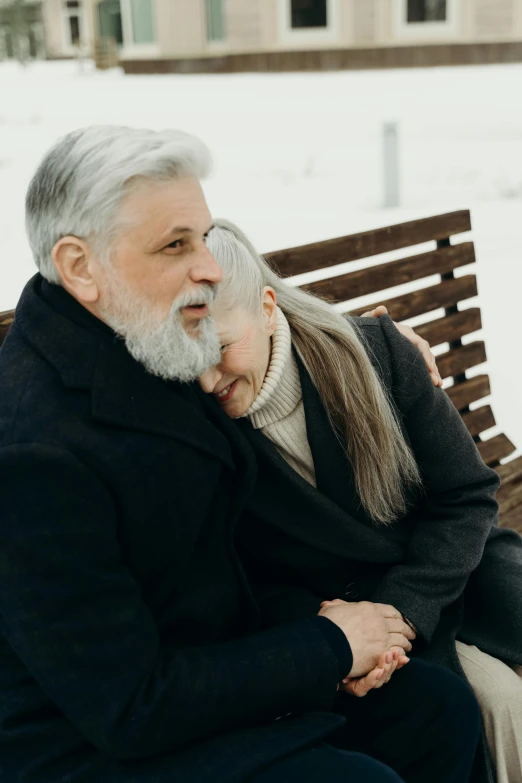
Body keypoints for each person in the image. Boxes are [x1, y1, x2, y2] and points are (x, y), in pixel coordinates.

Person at [0, 126, 481, 783]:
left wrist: (380, 348)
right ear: (82, 266)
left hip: (221, 671)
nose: (210, 266)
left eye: (202, 236)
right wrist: (329, 644)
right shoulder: (34, 452)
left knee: (436, 709)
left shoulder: (142, 333)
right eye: (177, 244)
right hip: (99, 743)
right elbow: (129, 705)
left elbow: (258, 327)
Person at [199, 218, 522, 783]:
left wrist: (401, 611)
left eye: (221, 348)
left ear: (269, 308)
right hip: (350, 633)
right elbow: (237, 578)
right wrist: (334, 639)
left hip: (448, 573)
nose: (206, 378)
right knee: (497, 705)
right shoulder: (196, 430)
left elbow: (466, 495)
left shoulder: (374, 357)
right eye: (188, 356)